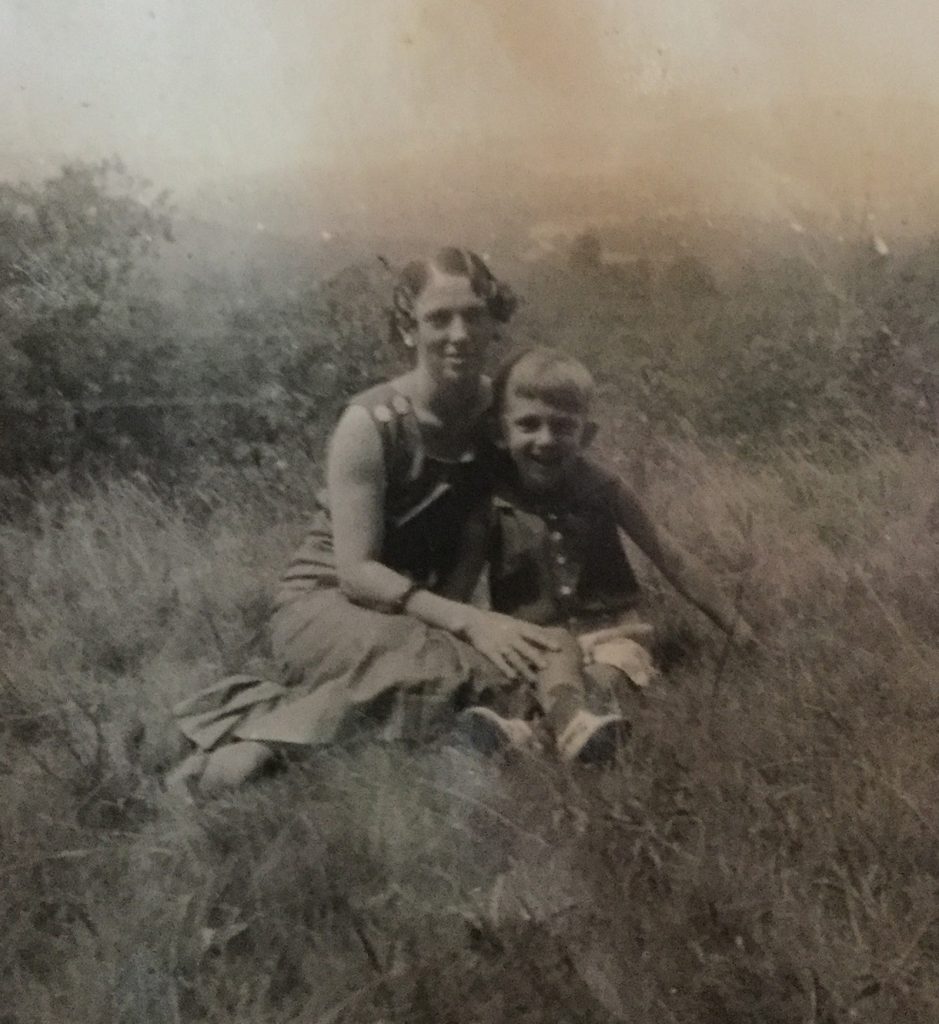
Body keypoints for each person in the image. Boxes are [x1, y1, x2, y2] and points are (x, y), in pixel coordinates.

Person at [169, 249, 559, 793]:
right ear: (408, 329)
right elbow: (356, 572)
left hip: (410, 608)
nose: (459, 334)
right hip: (328, 601)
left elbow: (475, 525)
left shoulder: (498, 412)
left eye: (473, 315)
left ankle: (293, 731)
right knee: (447, 674)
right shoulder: (371, 422)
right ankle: (258, 745)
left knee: (482, 668)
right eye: (438, 318)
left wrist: (453, 627)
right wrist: (466, 623)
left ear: (493, 321)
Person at [478, 345, 755, 762]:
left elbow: (672, 558)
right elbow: (465, 587)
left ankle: (533, 732)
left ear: (586, 434)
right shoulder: (490, 501)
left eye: (563, 426)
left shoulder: (604, 489)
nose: (546, 440)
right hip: (538, 644)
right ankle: (560, 730)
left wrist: (738, 629)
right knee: (546, 667)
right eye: (528, 424)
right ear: (501, 432)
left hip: (611, 632)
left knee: (609, 675)